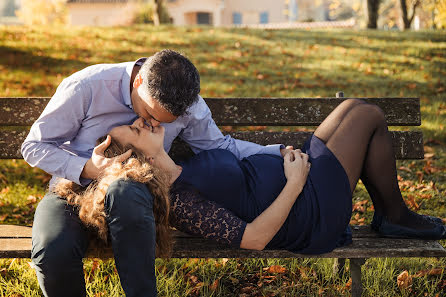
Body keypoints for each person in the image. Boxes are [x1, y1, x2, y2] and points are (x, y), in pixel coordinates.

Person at [21, 49, 291, 297]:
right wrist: (88, 169)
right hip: (72, 190)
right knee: (51, 250)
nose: (150, 124)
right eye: (150, 112)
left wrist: (278, 151)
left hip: (135, 190)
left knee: (125, 191)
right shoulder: (87, 86)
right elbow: (34, 146)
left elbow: (219, 146)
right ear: (138, 82)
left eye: (164, 123)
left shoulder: (190, 106)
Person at [59, 99, 445, 261]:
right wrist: (293, 181)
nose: (141, 120)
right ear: (134, 157)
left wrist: (276, 155)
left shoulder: (176, 164)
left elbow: (234, 163)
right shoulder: (179, 203)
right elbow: (255, 239)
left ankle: (392, 214)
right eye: (134, 130)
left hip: (301, 179)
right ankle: (395, 215)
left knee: (355, 108)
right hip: (309, 210)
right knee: (368, 116)